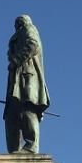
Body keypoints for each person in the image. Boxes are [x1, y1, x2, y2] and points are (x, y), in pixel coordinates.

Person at [4, 14, 50, 153]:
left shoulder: (29, 28)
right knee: (11, 115)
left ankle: (31, 146)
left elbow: (32, 44)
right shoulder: (20, 33)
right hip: (17, 79)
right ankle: (14, 149)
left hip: (26, 77)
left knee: (27, 109)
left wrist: (16, 60)